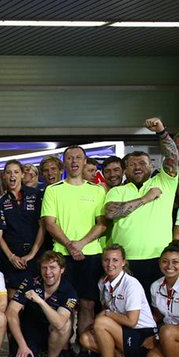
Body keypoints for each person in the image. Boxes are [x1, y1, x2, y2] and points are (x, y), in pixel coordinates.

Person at [103, 119, 179, 291]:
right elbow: (111, 213)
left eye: (142, 163)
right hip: (125, 261)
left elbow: (172, 157)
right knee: (126, 309)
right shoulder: (117, 191)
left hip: (160, 259)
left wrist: (161, 131)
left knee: (157, 308)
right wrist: (145, 198)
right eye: (132, 164)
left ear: (152, 165)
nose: (137, 167)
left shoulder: (164, 181)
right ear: (125, 169)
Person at [41, 145, 107, 340]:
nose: (75, 161)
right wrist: (70, 245)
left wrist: (81, 243)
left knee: (88, 303)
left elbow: (102, 223)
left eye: (79, 158)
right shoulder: (53, 190)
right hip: (61, 255)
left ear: (85, 162)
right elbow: (50, 223)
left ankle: (84, 345)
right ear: (65, 163)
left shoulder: (97, 191)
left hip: (91, 254)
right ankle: (63, 348)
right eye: (70, 158)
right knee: (62, 303)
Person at [79, 245, 157, 357]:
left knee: (102, 322)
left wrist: (106, 315)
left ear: (123, 262)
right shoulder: (103, 283)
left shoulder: (131, 284)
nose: (110, 264)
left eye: (115, 260)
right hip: (122, 330)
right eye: (106, 260)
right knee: (85, 338)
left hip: (141, 334)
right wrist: (99, 320)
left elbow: (132, 321)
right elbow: (108, 308)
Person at [5, 251, 76, 357]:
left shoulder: (69, 291)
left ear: (62, 270)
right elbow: (11, 312)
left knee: (66, 324)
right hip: (28, 333)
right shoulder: (31, 282)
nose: (48, 273)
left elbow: (59, 323)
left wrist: (40, 301)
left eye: (53, 267)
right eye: (44, 268)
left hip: (51, 333)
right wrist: (22, 345)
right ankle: (27, 354)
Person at [0, 160, 45, 292]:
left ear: (22, 175)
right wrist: (11, 256)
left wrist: (32, 254)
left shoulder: (36, 195)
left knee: (35, 297)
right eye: (8, 172)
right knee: (13, 296)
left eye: (16, 172)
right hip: (11, 257)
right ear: (4, 176)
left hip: (35, 255)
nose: (12, 175)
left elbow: (43, 226)